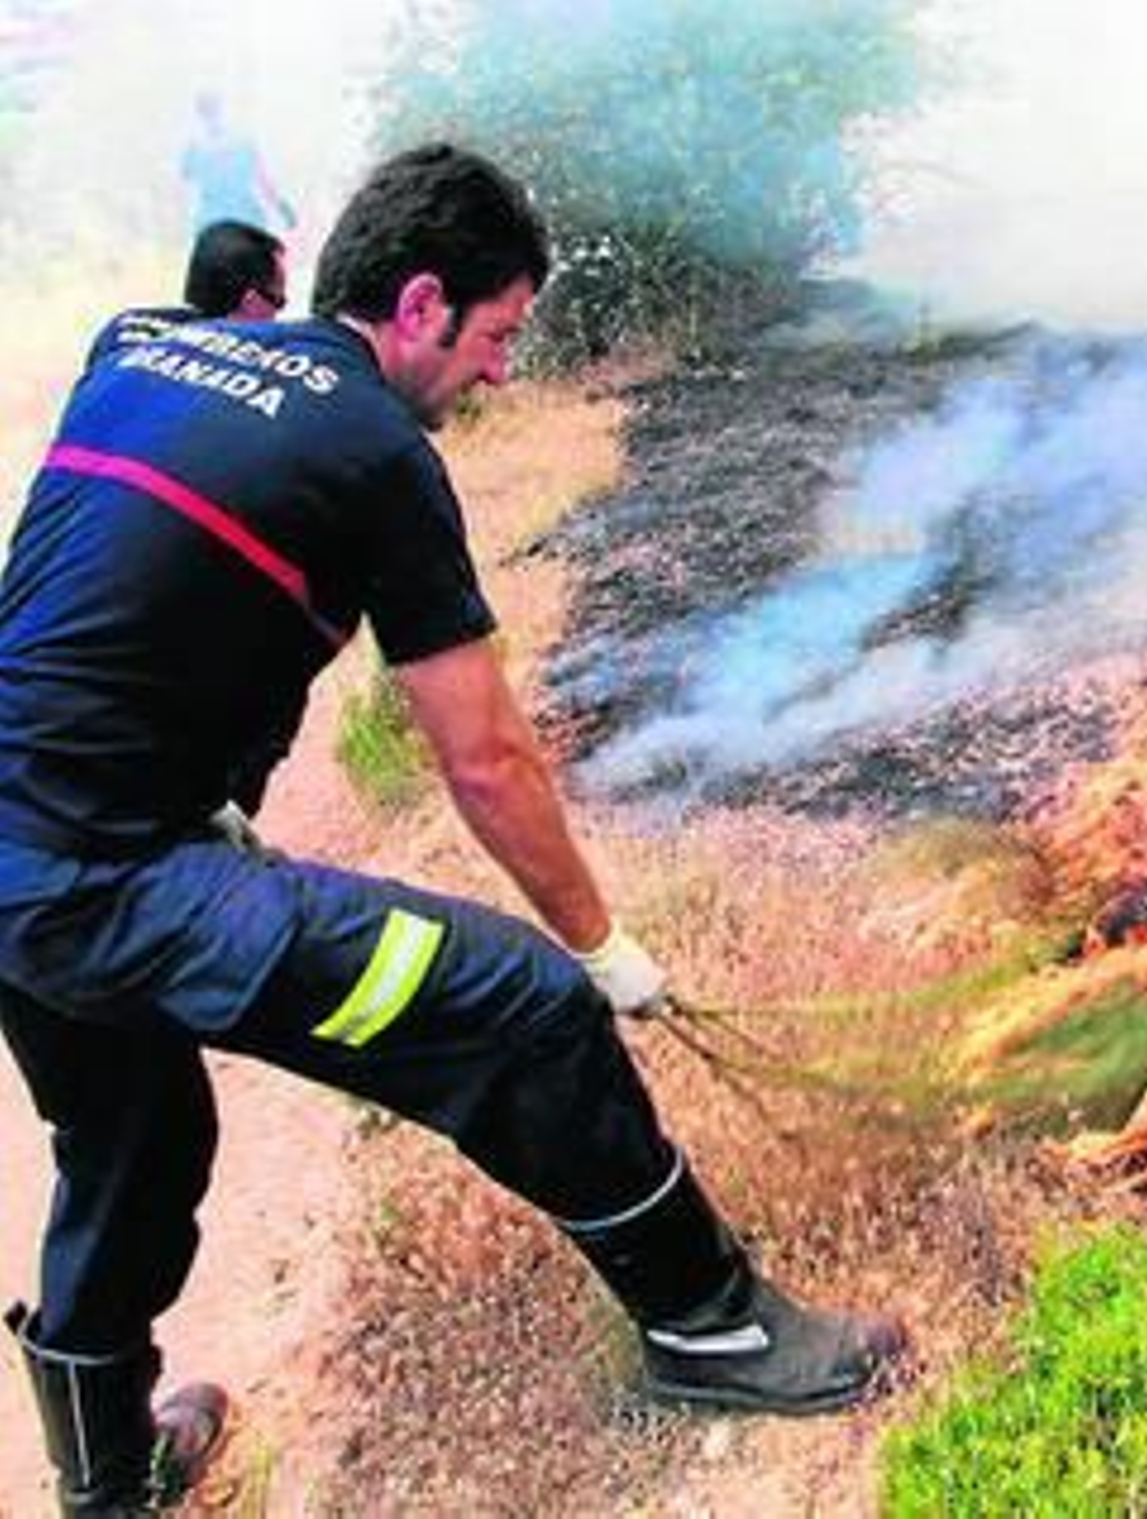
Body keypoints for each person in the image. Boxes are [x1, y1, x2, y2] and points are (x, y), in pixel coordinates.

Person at [0, 143, 904, 1514]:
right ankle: (711, 1329)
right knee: (522, 1006)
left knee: (132, 1138)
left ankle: (107, 1478)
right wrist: (603, 946)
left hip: (30, 849)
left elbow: (110, 601)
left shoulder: (141, 342)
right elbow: (483, 755)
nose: (497, 372)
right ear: (420, 304)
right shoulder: (374, 449)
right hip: (104, 876)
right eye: (495, 336)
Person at [85, 219, 288, 369]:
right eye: (279, 300)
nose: (278, 316)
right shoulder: (246, 369)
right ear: (250, 302)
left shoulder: (124, 324)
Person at [178, 91, 296, 236]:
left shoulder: (194, 148)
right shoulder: (244, 142)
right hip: (247, 219)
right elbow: (264, 182)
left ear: (199, 114)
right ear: (222, 109)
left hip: (210, 223)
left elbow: (185, 179)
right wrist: (283, 208)